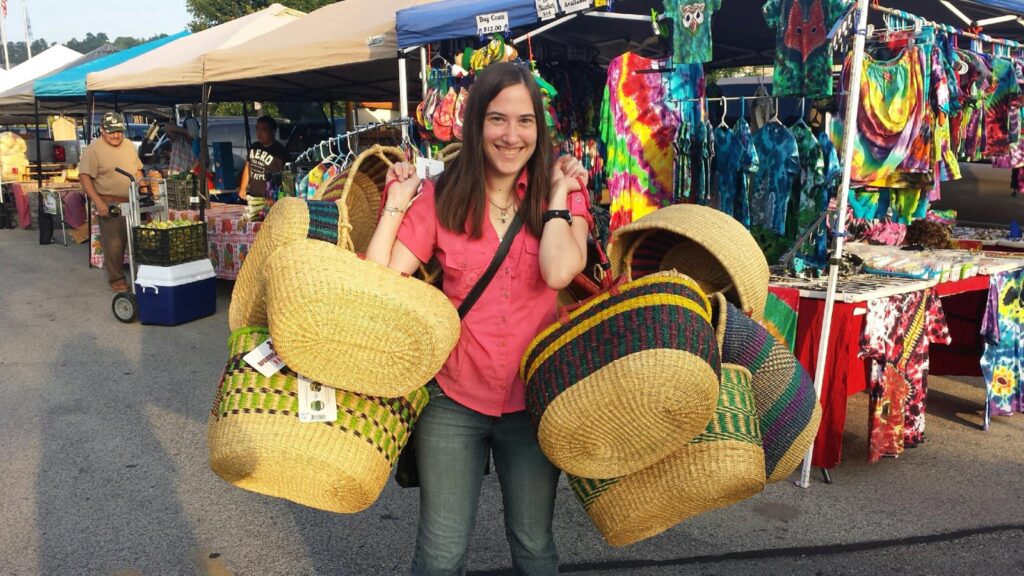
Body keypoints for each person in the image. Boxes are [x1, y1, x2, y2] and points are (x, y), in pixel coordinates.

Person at [366, 62, 592, 576]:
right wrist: (397, 205)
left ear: (539, 127)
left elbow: (558, 270)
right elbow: (379, 280)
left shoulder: (566, 195)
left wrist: (556, 194)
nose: (511, 136)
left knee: (534, 544)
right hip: (452, 399)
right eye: (497, 119)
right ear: (475, 125)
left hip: (533, 401)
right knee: (442, 552)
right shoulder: (441, 197)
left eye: (524, 121)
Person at [79, 112, 144, 292]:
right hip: (110, 202)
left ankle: (142, 277)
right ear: (102, 130)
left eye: (119, 131)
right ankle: (117, 281)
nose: (116, 135)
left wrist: (143, 187)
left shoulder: (129, 145)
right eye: (111, 132)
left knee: (135, 240)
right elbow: (84, 177)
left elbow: (138, 170)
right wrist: (98, 202)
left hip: (132, 199)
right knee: (115, 243)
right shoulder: (93, 149)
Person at [238, 115, 287, 200]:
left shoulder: (280, 152)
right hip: (253, 196)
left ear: (273, 131)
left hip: (270, 198)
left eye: (263, 130)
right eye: (257, 129)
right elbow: (248, 166)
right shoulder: (254, 147)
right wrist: (243, 188)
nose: (259, 133)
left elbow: (285, 176)